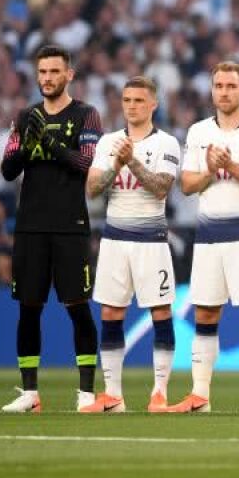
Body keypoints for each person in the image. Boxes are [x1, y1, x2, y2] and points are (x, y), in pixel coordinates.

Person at [164, 62, 239, 414]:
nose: (224, 92)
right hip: (209, 235)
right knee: (206, 313)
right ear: (212, 91)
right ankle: (200, 395)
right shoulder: (198, 133)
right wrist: (211, 170)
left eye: (231, 85)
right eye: (219, 86)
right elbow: (186, 186)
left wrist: (232, 166)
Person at [0, 44, 103, 413]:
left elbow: (86, 162)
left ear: (69, 75)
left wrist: (48, 141)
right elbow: (8, 169)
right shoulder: (25, 115)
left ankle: (87, 393)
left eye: (54, 72)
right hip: (30, 226)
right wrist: (26, 143)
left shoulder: (87, 115)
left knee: (78, 308)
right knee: (29, 309)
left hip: (71, 225)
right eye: (42, 72)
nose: (47, 79)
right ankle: (30, 393)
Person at [82, 76, 181, 413]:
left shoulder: (166, 143)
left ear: (153, 104)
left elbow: (160, 189)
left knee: (160, 312)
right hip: (114, 240)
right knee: (111, 312)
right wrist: (116, 163)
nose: (132, 106)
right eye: (127, 100)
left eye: (139, 100)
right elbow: (93, 190)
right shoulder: (108, 142)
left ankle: (159, 393)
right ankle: (113, 396)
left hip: (152, 242)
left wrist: (133, 162)